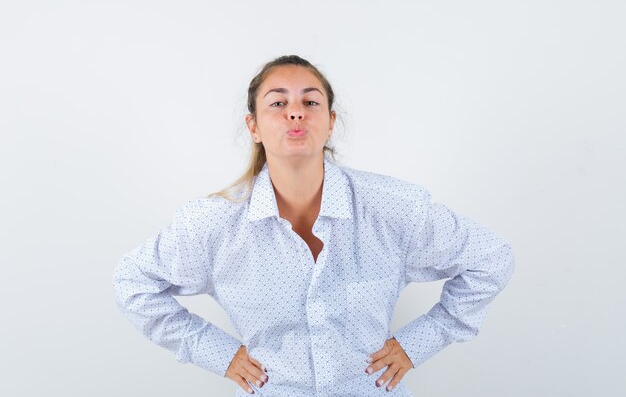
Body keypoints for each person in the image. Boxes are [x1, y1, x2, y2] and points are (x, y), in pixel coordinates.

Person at [112, 54, 515, 397]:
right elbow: (133, 282)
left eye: (310, 100)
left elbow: (491, 257)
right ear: (253, 127)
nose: (295, 111)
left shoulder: (391, 205)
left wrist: (418, 343)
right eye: (277, 102)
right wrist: (217, 352)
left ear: (329, 122)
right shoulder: (213, 222)